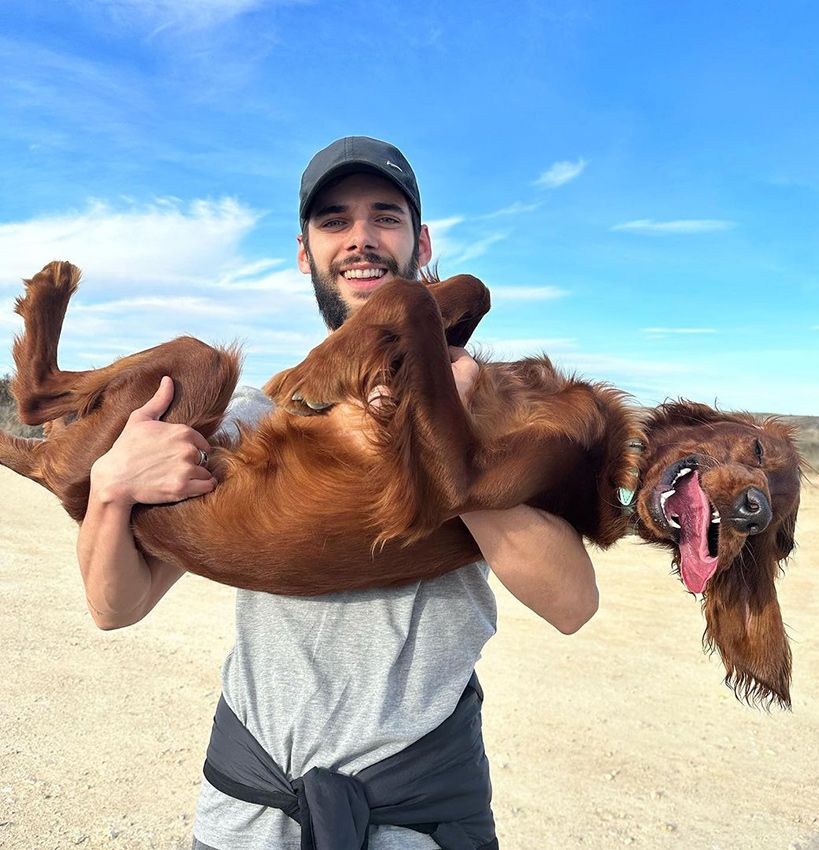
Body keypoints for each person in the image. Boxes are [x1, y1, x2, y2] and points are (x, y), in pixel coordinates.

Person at [76, 137, 600, 849]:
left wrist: (445, 426)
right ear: (304, 253)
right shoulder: (261, 419)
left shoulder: (498, 402)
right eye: (333, 221)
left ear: (421, 241)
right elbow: (118, 606)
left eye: (385, 217)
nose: (360, 238)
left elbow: (572, 604)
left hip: (417, 816)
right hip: (247, 814)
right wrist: (109, 489)